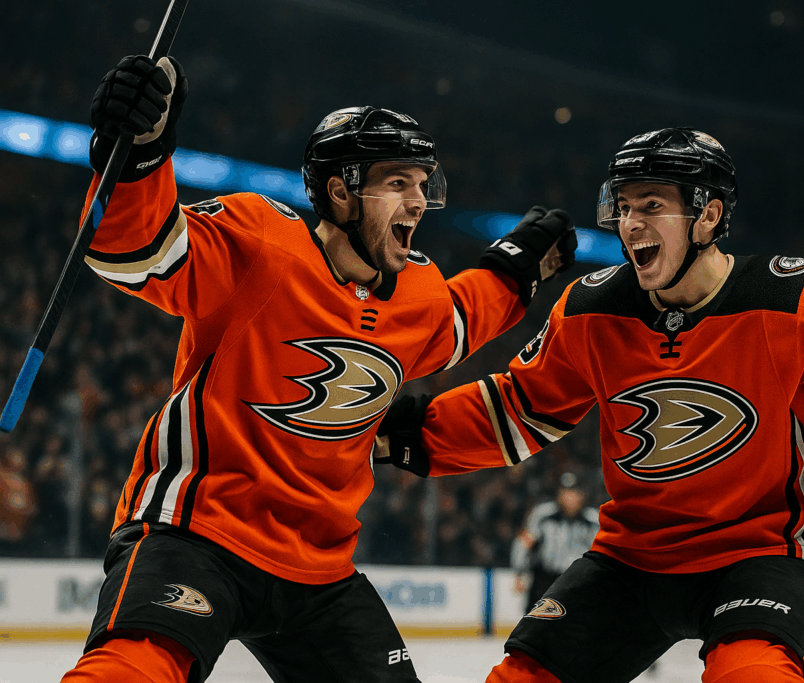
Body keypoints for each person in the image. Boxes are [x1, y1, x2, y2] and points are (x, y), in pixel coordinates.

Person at [61, 55, 576, 683]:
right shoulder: (260, 244)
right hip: (195, 534)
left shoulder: (416, 291)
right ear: (340, 192)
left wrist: (517, 265)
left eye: (423, 184)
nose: (418, 202)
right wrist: (140, 149)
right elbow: (132, 251)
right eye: (398, 184)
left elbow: (463, 316)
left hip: (318, 568)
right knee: (132, 670)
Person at [376, 127, 804, 683]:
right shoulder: (589, 309)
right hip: (633, 557)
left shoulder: (795, 298)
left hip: (763, 552)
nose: (630, 224)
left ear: (707, 215)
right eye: (623, 206)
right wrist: (391, 431)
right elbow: (516, 409)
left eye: (650, 205)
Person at [511, 472, 600, 612]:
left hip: (578, 582)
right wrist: (519, 572)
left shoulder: (593, 520)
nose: (569, 498)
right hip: (545, 580)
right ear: (558, 495)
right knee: (534, 626)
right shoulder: (543, 514)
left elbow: (601, 553)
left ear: (582, 496)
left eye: (573, 493)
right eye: (565, 493)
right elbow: (524, 543)